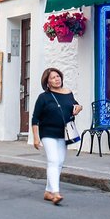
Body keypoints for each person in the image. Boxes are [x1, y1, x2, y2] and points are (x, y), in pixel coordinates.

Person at [32, 68, 83, 205]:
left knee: (59, 162)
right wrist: (36, 138)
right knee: (53, 160)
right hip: (48, 133)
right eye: (53, 77)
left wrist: (78, 107)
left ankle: (48, 191)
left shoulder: (68, 93)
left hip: (63, 133)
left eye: (58, 76)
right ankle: (55, 193)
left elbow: (75, 105)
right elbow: (35, 118)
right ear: (47, 82)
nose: (57, 79)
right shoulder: (43, 97)